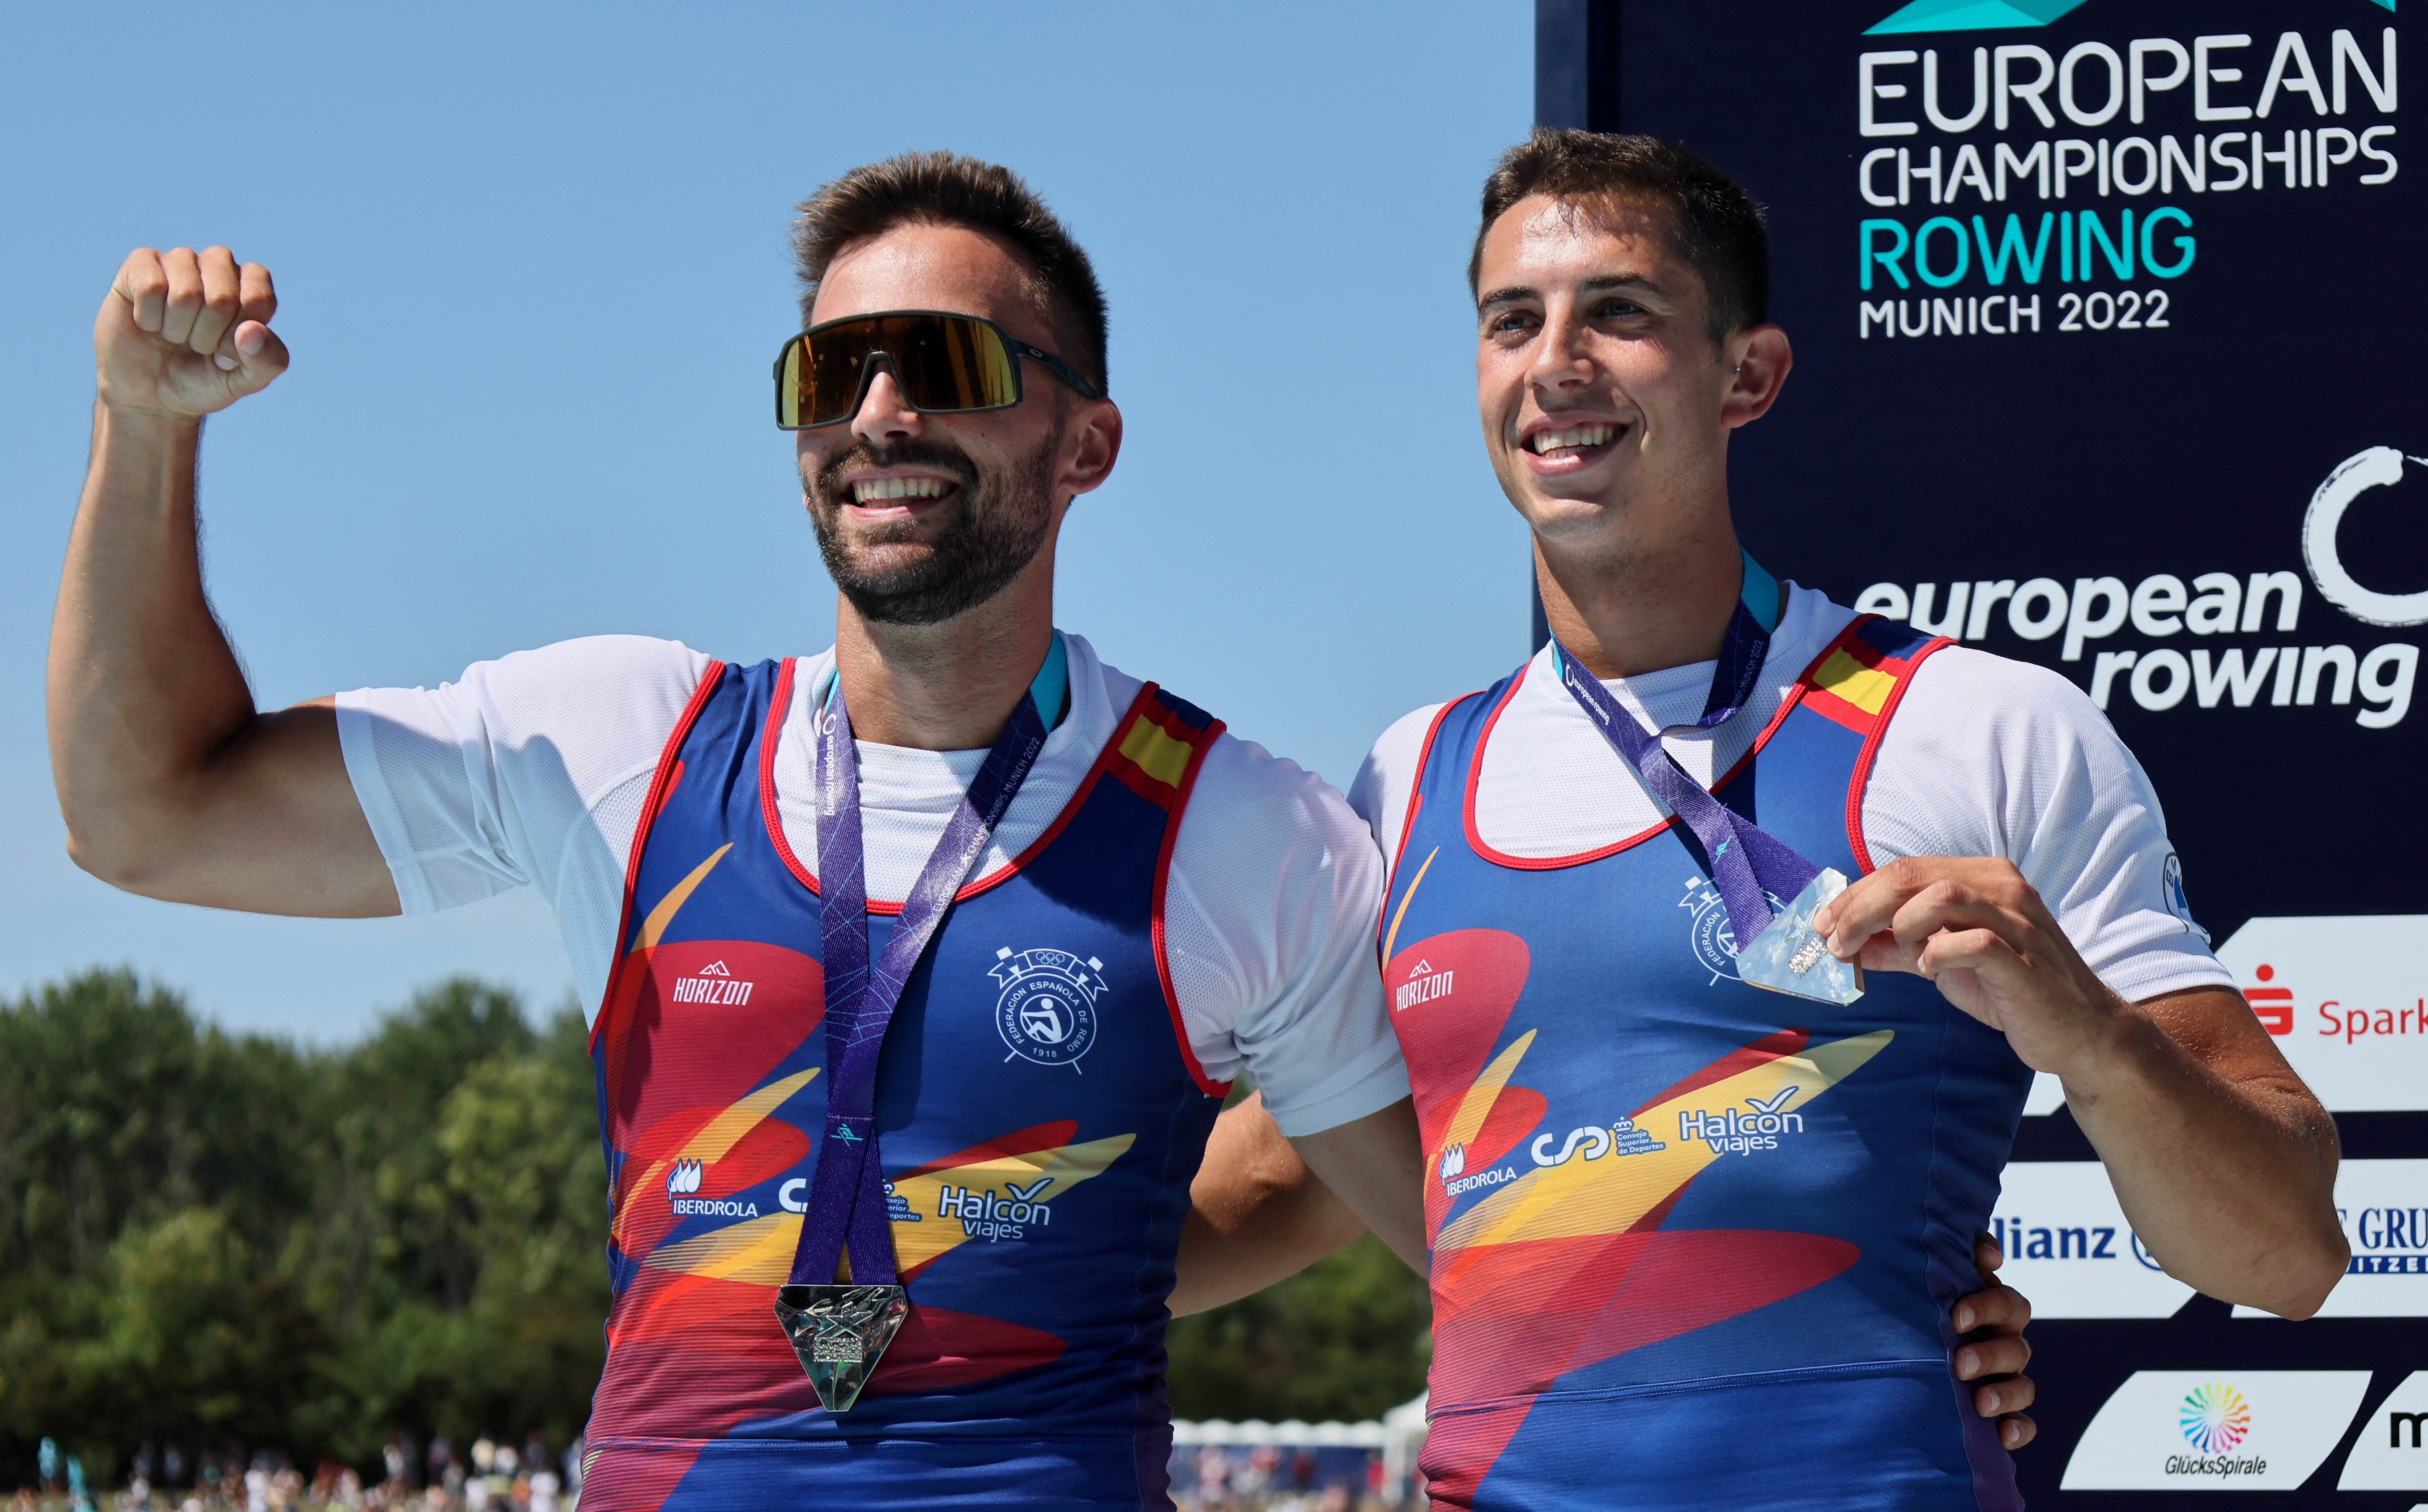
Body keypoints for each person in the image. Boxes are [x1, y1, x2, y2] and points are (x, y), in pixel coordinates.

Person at [49, 147, 2026, 1510]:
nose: (880, 410)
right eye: (833, 367)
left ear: (1085, 441)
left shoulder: (1244, 829)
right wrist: (145, 428)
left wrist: (1900, 1291)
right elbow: (145, 814)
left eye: (949, 365)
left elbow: (1482, 1222)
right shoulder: (622, 738)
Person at [1202, 130, 2349, 1511]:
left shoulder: (1976, 724)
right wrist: (957, 1245)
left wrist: (2087, 1032)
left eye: (1616, 312)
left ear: (1746, 374)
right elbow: (1273, 1176)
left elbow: (2287, 1254)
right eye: (1512, 321)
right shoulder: (1406, 777)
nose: (1553, 362)